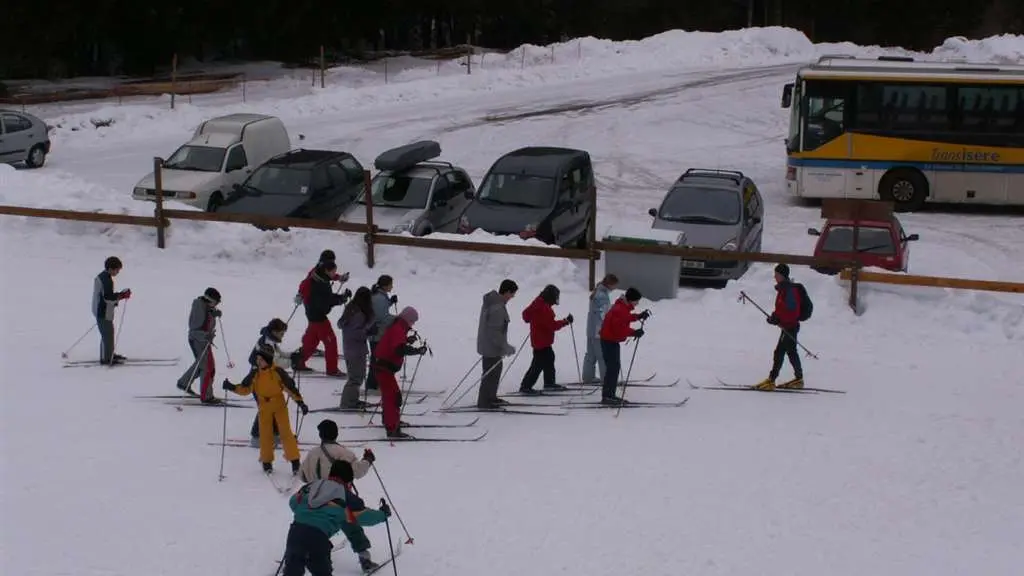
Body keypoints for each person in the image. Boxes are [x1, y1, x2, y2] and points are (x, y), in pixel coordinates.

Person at [282, 459, 391, 575]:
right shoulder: (345, 495)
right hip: (318, 539)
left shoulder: (312, 485)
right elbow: (364, 517)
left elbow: (293, 502)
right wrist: (383, 514)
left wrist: (306, 512)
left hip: (295, 534)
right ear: (348, 480)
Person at [223, 344, 309, 473]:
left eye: (261, 359)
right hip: (264, 406)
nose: (258, 362)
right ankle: (267, 462)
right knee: (265, 435)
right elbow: (245, 389)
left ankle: (295, 461)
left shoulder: (278, 372)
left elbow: (290, 388)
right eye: (257, 359)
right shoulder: (255, 374)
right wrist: (231, 387)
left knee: (286, 433)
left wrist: (300, 403)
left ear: (268, 360)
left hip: (279, 405)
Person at [372, 307, 427, 439]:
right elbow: (398, 349)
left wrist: (407, 341)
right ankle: (392, 429)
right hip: (383, 368)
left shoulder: (398, 326)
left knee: (388, 396)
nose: (413, 324)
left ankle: (390, 421)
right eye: (412, 321)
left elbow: (396, 344)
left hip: (383, 367)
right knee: (394, 397)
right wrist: (417, 351)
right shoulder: (398, 328)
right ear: (407, 319)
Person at [297, 260, 351, 377]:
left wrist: (340, 296)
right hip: (319, 317)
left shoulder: (319, 276)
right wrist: (341, 299)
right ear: (326, 270)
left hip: (312, 315)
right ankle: (332, 370)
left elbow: (326, 298)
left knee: (311, 341)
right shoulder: (320, 284)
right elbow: (325, 302)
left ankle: (298, 362)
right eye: (333, 272)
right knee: (331, 342)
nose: (334, 274)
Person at [755, 264, 805, 390]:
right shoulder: (784, 289)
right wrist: (774, 317)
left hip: (790, 327)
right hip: (788, 326)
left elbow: (793, 311)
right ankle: (799, 379)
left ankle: (772, 380)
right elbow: (782, 309)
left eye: (776, 274)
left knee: (780, 353)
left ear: (782, 275)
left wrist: (778, 319)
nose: (775, 276)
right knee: (790, 352)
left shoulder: (789, 290)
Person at [518, 284, 572, 395]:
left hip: (540, 339)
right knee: (538, 364)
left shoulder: (538, 302)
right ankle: (526, 386)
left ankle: (549, 383)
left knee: (549, 358)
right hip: (541, 341)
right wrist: (565, 321)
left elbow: (526, 315)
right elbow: (552, 325)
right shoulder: (543, 308)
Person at [599, 287, 649, 405]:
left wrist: (638, 316)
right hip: (609, 341)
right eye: (636, 301)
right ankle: (608, 396)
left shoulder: (622, 307)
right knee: (613, 368)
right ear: (631, 300)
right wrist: (633, 332)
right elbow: (619, 329)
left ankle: (608, 395)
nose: (637, 303)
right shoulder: (620, 309)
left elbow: (625, 318)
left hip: (610, 340)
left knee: (613, 367)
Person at [247, 318, 291, 447]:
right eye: (281, 333)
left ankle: (275, 433)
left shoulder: (271, 341)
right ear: (274, 331)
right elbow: (275, 362)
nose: (283, 336)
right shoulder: (266, 344)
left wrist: (293, 356)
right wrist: (293, 362)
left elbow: (280, 355)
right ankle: (256, 437)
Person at [475, 279, 518, 408]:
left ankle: (491, 397)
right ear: (507, 292)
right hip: (491, 347)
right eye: (512, 294)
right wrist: (506, 347)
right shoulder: (497, 308)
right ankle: (484, 401)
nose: (512, 297)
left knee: (494, 372)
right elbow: (494, 333)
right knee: (490, 374)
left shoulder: (495, 303)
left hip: (491, 346)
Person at [175, 287, 222, 403]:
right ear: (209, 300)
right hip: (198, 341)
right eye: (216, 302)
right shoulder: (199, 308)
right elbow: (194, 330)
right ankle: (206, 396)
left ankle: (184, 383)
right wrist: (206, 336)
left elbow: (207, 320)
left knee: (202, 364)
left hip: (204, 341)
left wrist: (214, 314)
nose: (216, 304)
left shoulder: (206, 307)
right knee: (207, 367)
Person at [298, 419, 375, 482]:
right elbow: (358, 471)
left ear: (320, 435)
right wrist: (368, 459)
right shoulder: (345, 454)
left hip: (314, 496)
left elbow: (302, 476)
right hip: (337, 497)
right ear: (337, 434)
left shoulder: (312, 453)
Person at [337, 287, 376, 409]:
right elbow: (353, 333)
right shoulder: (358, 314)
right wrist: (368, 332)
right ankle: (347, 403)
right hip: (355, 350)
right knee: (355, 378)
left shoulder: (352, 308)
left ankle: (352, 400)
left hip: (352, 349)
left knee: (357, 377)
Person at [92, 256, 131, 365]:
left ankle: (109, 354)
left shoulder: (104, 277)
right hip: (103, 312)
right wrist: (122, 295)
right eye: (117, 270)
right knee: (107, 334)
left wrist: (120, 295)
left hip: (101, 310)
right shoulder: (106, 280)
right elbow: (108, 297)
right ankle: (107, 358)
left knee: (107, 334)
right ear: (110, 269)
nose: (118, 272)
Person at [582, 274, 618, 384]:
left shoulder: (598, 291)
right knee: (602, 355)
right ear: (610, 284)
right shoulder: (602, 295)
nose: (615, 288)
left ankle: (588, 377)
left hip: (591, 329)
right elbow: (604, 314)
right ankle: (606, 378)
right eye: (615, 285)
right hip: (599, 331)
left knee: (591, 355)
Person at [365, 275, 397, 392]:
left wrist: (390, 302)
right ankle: (372, 384)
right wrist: (397, 319)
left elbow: (380, 310)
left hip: (377, 332)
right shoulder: (379, 298)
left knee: (377, 357)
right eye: (390, 284)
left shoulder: (380, 296)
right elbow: (382, 317)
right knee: (377, 358)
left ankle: (374, 383)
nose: (392, 287)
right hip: (376, 333)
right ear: (385, 285)